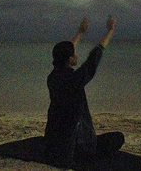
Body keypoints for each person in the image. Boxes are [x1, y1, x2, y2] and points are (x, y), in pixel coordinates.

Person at [43, 16, 124, 167]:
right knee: (118, 138)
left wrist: (80, 32)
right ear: (70, 59)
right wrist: (110, 31)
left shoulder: (52, 78)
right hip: (76, 146)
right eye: (74, 54)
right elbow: (94, 58)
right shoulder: (75, 80)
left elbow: (65, 52)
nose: (77, 54)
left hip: (53, 142)